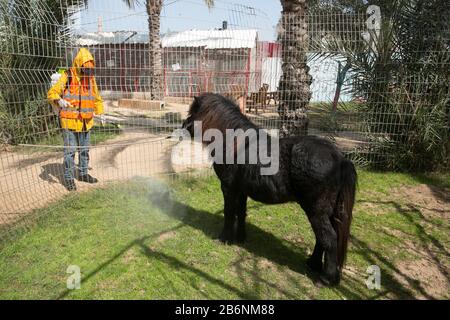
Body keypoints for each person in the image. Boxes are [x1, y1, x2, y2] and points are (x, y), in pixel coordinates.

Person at [48, 48, 104, 191]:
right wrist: (59, 101)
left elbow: (97, 99)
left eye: (90, 70)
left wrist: (101, 112)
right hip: (69, 120)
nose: (88, 74)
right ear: (80, 65)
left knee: (84, 150)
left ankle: (84, 174)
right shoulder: (68, 76)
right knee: (70, 151)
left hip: (86, 121)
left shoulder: (91, 79)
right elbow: (52, 93)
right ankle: (68, 178)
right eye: (86, 70)